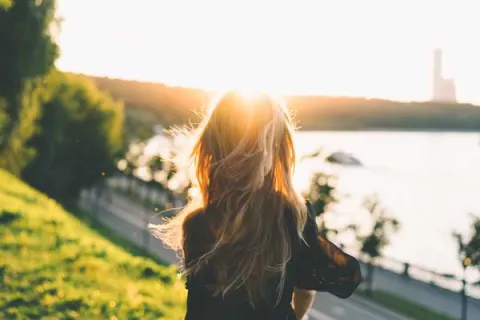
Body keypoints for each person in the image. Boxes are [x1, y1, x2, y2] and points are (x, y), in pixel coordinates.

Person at [151, 91, 361, 319]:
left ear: (211, 146)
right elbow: (305, 288)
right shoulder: (293, 216)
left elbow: (201, 308)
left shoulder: (197, 223)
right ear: (279, 150)